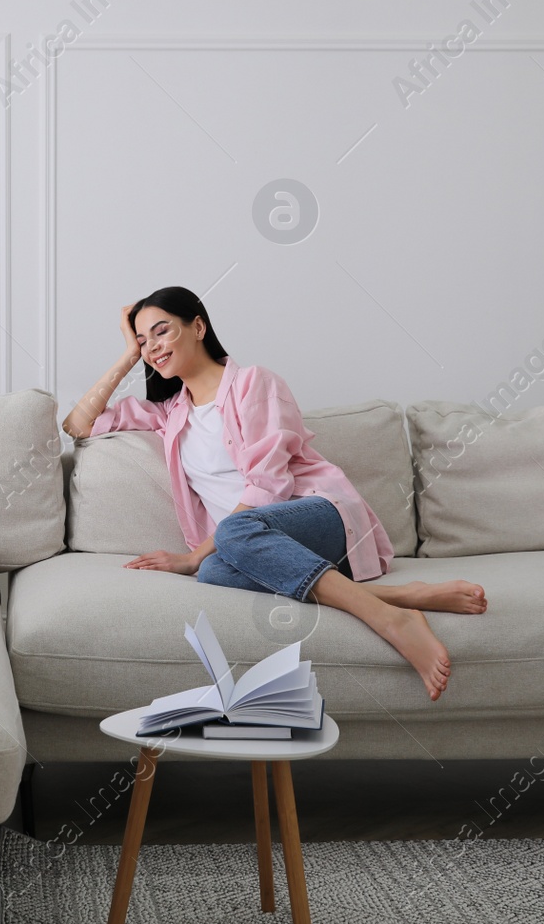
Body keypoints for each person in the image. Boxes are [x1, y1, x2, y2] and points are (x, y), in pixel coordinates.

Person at [61, 286, 486, 701]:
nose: (153, 346)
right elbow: (78, 424)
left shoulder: (253, 384)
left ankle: (391, 620)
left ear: (198, 326)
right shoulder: (170, 412)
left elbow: (269, 487)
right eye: (142, 339)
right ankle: (404, 597)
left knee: (220, 545)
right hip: (256, 545)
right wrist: (128, 355)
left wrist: (192, 555)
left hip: (318, 517)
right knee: (213, 574)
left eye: (162, 331)